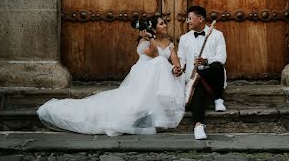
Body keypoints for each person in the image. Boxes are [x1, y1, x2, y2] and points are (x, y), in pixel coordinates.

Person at [37, 15, 185, 136]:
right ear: (153, 27)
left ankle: (157, 115)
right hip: (143, 75)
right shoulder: (143, 41)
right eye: (161, 24)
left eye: (164, 24)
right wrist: (151, 37)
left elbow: (173, 56)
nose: (165, 26)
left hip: (157, 77)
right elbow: (154, 54)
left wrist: (176, 67)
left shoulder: (168, 41)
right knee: (159, 62)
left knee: (166, 66)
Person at [175, 5, 227, 140]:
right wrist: (178, 68)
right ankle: (198, 125)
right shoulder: (184, 38)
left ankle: (218, 98)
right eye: (187, 19)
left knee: (216, 66)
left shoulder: (217, 35)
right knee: (198, 88)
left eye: (190, 18)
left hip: (213, 75)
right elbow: (181, 59)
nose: (188, 21)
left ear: (200, 19)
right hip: (194, 77)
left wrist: (205, 61)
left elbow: (222, 58)